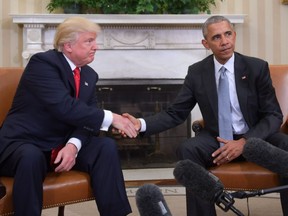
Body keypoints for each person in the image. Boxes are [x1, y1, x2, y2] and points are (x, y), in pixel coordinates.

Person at [123, 15, 288, 215]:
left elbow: (273, 115)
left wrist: (245, 142)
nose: (225, 41)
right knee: (188, 149)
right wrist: (141, 124)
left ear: (234, 35)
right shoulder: (197, 73)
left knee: (285, 145)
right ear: (206, 43)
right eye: (216, 37)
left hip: (256, 137)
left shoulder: (256, 67)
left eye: (228, 34)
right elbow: (176, 112)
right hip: (217, 139)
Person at [0, 17, 137, 216]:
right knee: (31, 156)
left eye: (94, 41)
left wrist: (73, 145)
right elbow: (64, 107)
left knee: (105, 147)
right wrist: (113, 118)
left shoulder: (89, 75)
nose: (96, 47)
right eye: (89, 41)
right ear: (68, 46)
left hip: (60, 146)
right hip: (23, 143)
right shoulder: (42, 63)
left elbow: (87, 120)